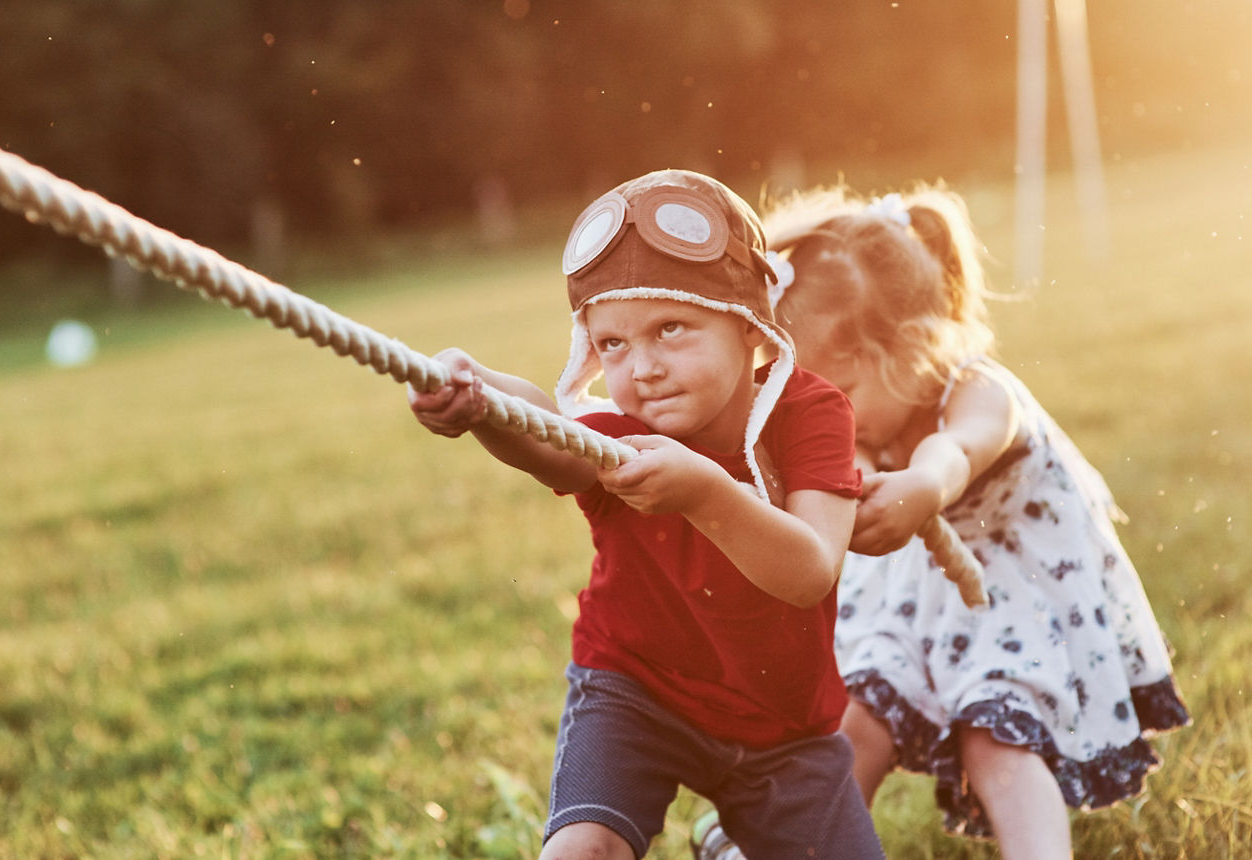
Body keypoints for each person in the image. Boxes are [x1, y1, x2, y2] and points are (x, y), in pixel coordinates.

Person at [693, 182, 1190, 860]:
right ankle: (790, 845)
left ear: (913, 348)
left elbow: (953, 453)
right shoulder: (861, 423)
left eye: (838, 394)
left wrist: (922, 487)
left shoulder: (983, 393)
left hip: (1015, 601)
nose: (827, 417)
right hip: (915, 599)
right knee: (856, 722)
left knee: (997, 744)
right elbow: (838, 471)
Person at [409, 169, 885, 859]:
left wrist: (705, 493)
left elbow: (810, 568)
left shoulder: (809, 413)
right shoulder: (613, 435)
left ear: (750, 330)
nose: (644, 367)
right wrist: (479, 394)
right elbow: (545, 430)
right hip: (635, 692)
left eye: (670, 329)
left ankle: (732, 845)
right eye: (613, 344)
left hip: (783, 725)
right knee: (583, 850)